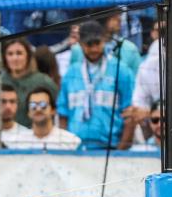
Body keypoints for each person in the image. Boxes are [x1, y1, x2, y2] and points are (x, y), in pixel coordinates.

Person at [57, 20, 135, 149]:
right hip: (75, 149)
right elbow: (63, 114)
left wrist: (120, 151)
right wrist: (66, 146)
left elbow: (130, 115)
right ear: (80, 44)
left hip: (110, 149)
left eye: (97, 43)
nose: (94, 49)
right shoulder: (71, 73)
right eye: (89, 44)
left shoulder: (121, 71)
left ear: (104, 40)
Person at [1, 37, 59, 127]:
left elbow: (57, 110)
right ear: (5, 57)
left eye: (19, 53)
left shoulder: (43, 81)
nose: (15, 58)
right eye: (10, 54)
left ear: (28, 56)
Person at [6, 87, 82, 150]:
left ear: (53, 110)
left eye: (43, 105)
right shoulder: (16, 143)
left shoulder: (71, 141)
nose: (38, 109)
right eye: (33, 105)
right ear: (28, 113)